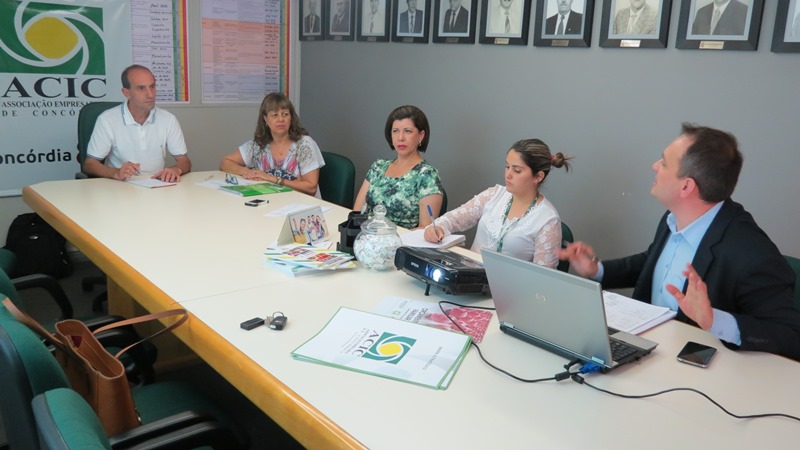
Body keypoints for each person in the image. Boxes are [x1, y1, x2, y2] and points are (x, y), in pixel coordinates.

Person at [560, 124, 800, 360]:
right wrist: (598, 270)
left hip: (702, 376)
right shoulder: (674, 216)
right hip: (644, 352)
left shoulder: (751, 251)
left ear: (686, 186)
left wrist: (714, 320)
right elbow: (652, 264)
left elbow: (790, 335)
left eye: (663, 163)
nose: (654, 166)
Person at [424, 139, 571, 267]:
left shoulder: (548, 220)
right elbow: (454, 219)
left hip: (509, 293)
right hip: (468, 279)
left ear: (538, 176)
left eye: (517, 170)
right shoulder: (494, 194)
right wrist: (438, 227)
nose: (508, 174)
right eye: (507, 166)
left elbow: (543, 278)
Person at [84, 65, 191, 182]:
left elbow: (184, 161)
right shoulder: (107, 120)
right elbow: (90, 164)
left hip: (156, 186)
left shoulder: (168, 119)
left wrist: (176, 170)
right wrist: (116, 173)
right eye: (141, 88)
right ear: (126, 93)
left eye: (152, 86)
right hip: (119, 187)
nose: (150, 94)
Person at [353, 105, 443, 229]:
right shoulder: (378, 167)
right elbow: (356, 213)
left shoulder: (427, 175)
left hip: (402, 243)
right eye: (395, 131)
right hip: (367, 238)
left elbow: (424, 229)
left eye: (408, 131)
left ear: (421, 135)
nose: (400, 138)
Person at [220, 93, 325, 198]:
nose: (281, 119)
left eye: (285, 114)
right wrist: (248, 172)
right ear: (265, 119)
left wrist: (272, 179)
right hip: (270, 202)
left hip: (302, 206)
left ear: (291, 118)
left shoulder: (304, 144)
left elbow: (311, 188)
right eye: (275, 115)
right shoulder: (258, 144)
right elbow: (225, 162)